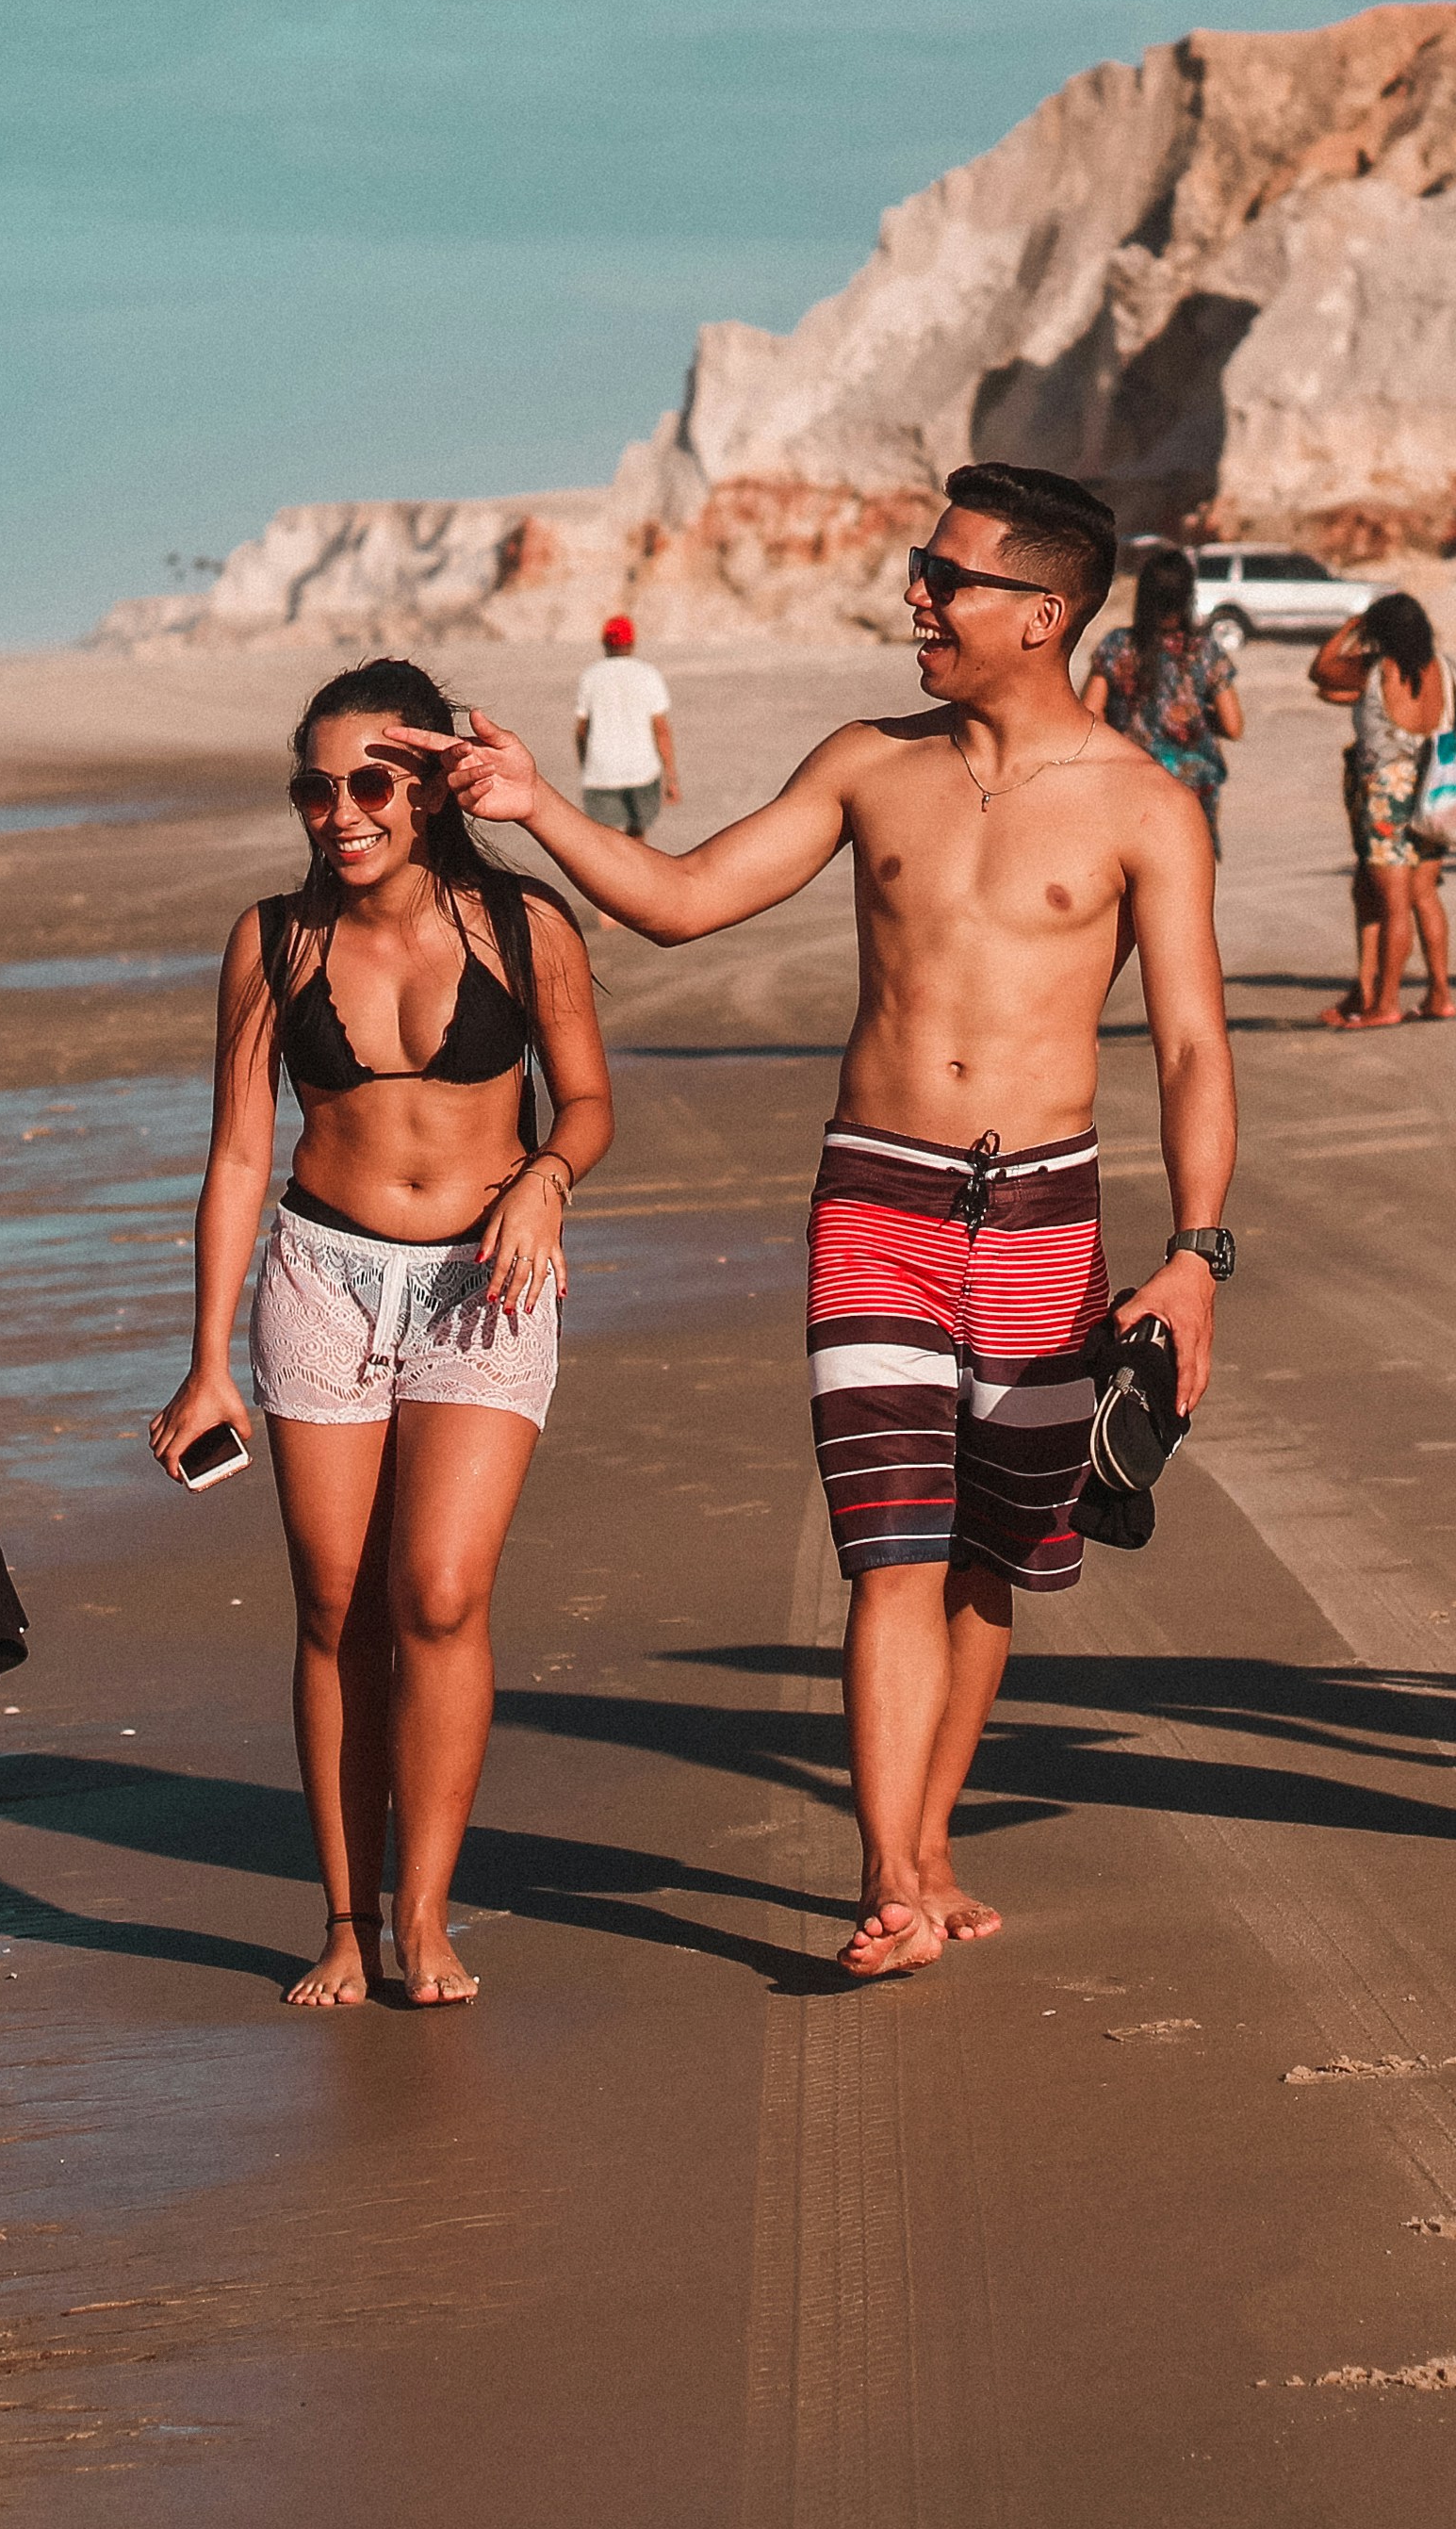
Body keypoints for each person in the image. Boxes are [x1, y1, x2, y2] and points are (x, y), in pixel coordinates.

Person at [392, 462, 1235, 1980]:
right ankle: (886, 1879)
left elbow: (1189, 1045)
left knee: (998, 1559)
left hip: (1045, 1218)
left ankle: (927, 1835)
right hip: (878, 1198)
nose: (915, 593)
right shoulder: (867, 762)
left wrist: (1197, 1252)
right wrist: (535, 807)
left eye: (945, 573)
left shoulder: (1145, 807)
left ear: (1040, 614)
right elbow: (682, 895)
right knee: (892, 1551)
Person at [147, 664, 612, 2011]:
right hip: (323, 1277)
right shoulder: (273, 939)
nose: (336, 812)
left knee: (442, 1592)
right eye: (313, 786)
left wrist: (543, 1180)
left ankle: (426, 1911)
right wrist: (204, 1360)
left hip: (485, 1278)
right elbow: (240, 1154)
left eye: (368, 783)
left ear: (431, 785)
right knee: (337, 1607)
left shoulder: (527, 926)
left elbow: (583, 1099)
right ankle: (347, 1918)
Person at [1309, 592, 1456, 1026]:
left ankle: (1385, 1002)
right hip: (1435, 789)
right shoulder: (1441, 669)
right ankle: (1439, 993)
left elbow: (1319, 669)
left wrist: (1351, 627)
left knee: (1393, 905)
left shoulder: (1376, 669)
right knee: (1424, 896)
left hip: (1387, 795)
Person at [1082, 547, 1247, 850]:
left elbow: (1089, 716)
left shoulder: (1117, 645)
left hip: (1128, 779)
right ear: (1187, 595)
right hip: (1191, 790)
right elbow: (1234, 726)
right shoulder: (1205, 650)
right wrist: (1198, 717)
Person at [571, 617, 680, 839]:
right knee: (637, 835)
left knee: (607, 840)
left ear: (604, 643)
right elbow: (661, 729)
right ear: (632, 643)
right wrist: (671, 777)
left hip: (601, 771)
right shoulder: (648, 674)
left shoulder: (590, 676)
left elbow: (582, 730)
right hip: (642, 769)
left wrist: (586, 762)